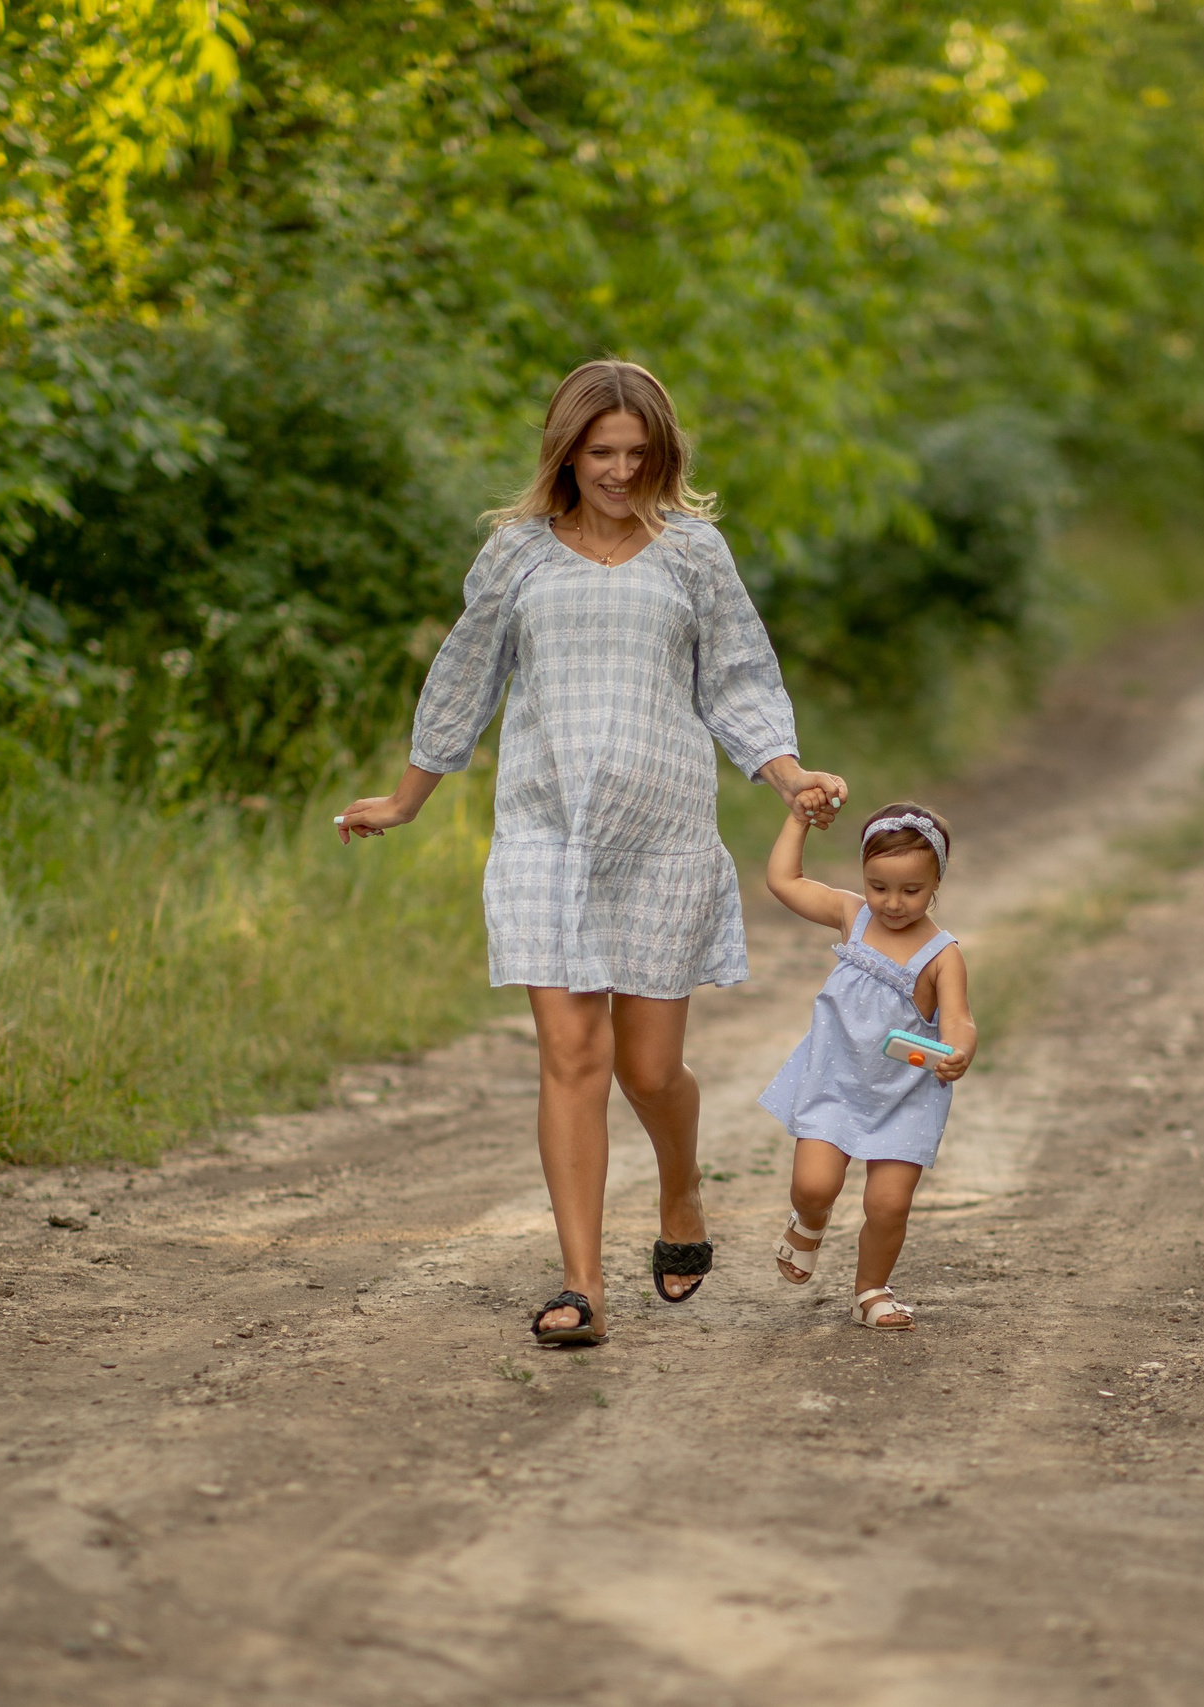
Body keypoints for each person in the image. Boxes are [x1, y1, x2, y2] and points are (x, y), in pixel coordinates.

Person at [334, 359, 847, 1347]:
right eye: (600, 452)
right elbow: (464, 676)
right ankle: (581, 1285)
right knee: (571, 1058)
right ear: (565, 451)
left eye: (636, 453)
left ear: (661, 455)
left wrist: (786, 775)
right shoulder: (516, 554)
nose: (618, 471)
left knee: (648, 1073)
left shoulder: (694, 552)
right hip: (544, 831)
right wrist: (406, 799)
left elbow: (737, 678)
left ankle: (682, 1196)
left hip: (661, 836)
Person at [758, 801, 978, 1330]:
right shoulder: (852, 915)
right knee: (813, 1185)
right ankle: (809, 1221)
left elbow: (960, 1020)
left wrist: (958, 1050)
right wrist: (798, 820)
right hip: (835, 1081)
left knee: (888, 1204)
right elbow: (785, 881)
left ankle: (870, 1290)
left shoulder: (942, 953)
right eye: (879, 886)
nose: (893, 903)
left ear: (936, 884)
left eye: (911, 891)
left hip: (905, 1095)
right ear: (864, 876)